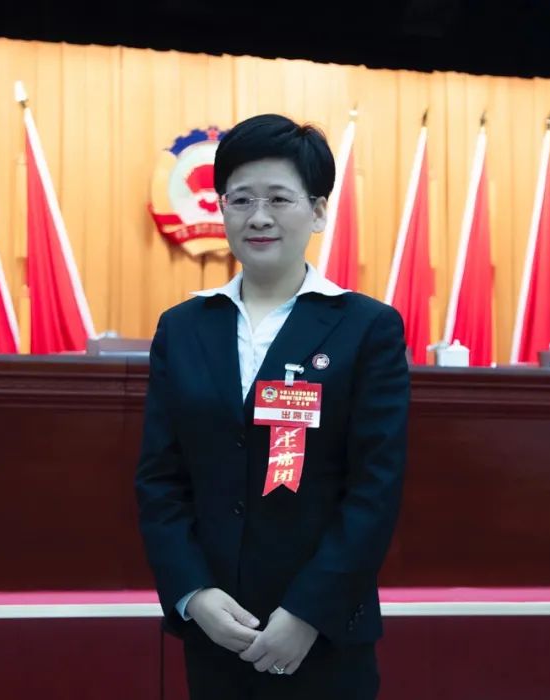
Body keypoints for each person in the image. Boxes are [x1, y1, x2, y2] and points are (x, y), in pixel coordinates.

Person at [134, 113, 409, 699]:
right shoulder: (182, 328)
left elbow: (375, 488)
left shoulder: (366, 328)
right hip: (218, 632)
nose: (258, 217)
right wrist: (193, 595)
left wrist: (308, 613)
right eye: (241, 200)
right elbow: (160, 480)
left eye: (279, 199)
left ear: (317, 211)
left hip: (325, 636)